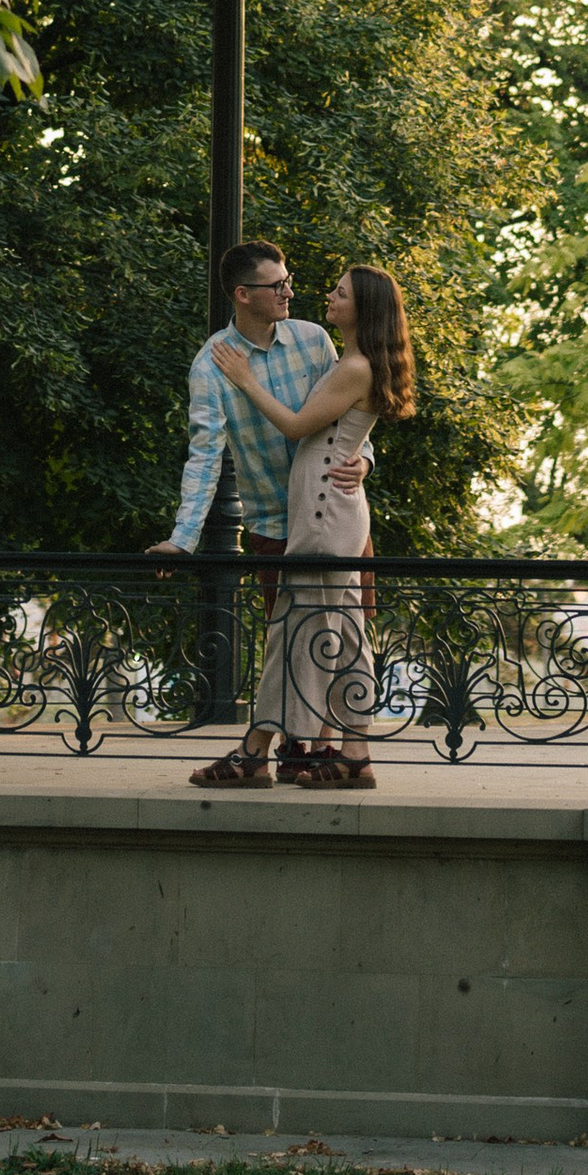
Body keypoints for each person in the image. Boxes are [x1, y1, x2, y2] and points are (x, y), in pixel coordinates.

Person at [187, 265, 414, 794]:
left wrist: (244, 380)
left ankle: (253, 755)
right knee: (340, 635)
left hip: (321, 512)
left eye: (341, 293)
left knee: (296, 632)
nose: (328, 297)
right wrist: (363, 463)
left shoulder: (353, 367)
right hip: (332, 507)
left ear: (365, 308)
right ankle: (352, 756)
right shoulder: (355, 362)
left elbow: (294, 425)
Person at [152, 239, 360, 785]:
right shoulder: (213, 364)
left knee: (336, 634)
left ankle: (319, 750)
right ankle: (298, 749)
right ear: (243, 295)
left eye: (288, 280)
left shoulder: (314, 339)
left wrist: (364, 464)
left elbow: (350, 417)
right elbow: (204, 456)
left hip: (336, 512)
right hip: (275, 523)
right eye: (277, 285)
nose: (290, 290)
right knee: (289, 637)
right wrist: (184, 538)